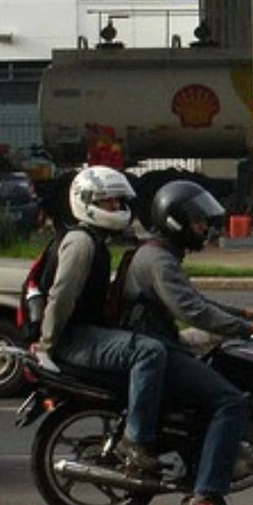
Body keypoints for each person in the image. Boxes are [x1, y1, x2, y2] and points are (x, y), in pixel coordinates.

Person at [120, 180, 253, 505]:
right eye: (197, 222)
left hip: (164, 345)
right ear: (175, 221)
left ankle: (199, 466)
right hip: (159, 349)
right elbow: (191, 312)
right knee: (230, 401)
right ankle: (206, 494)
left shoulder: (161, 254)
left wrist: (249, 314)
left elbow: (195, 300)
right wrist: (249, 329)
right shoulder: (157, 260)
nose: (204, 229)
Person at [36, 166, 168, 474]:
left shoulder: (95, 241)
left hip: (87, 332)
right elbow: (62, 296)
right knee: (149, 351)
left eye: (119, 202)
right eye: (109, 202)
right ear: (86, 201)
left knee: (162, 343)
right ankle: (135, 441)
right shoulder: (81, 243)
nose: (117, 209)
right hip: (74, 339)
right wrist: (47, 343)